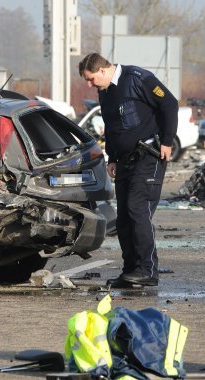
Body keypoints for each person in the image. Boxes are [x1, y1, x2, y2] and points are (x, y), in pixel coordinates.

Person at [78, 53, 178, 287]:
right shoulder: (105, 92)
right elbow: (112, 127)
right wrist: (112, 157)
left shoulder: (138, 79)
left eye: (91, 79)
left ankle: (147, 270)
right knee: (123, 217)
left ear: (102, 70)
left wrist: (167, 140)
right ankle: (131, 270)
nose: (90, 85)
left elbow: (169, 104)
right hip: (124, 160)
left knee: (137, 209)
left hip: (149, 156)